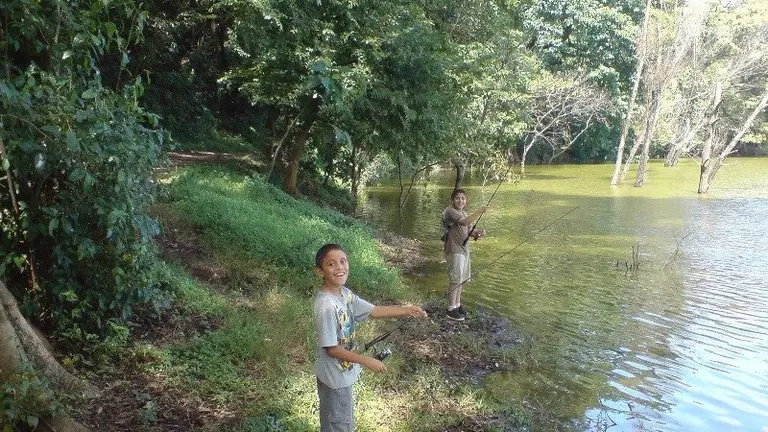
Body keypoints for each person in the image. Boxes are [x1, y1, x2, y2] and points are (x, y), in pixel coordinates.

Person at [313, 243, 427, 432]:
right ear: (319, 271)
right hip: (334, 379)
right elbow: (331, 349)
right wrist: (367, 360)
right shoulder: (326, 306)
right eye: (331, 264)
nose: (340, 267)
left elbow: (374, 311)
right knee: (338, 425)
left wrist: (407, 310)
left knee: (343, 422)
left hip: (342, 375)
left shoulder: (345, 294)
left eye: (343, 261)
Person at [441, 188, 488, 321]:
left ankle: (457, 305)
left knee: (461, 279)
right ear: (452, 200)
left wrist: (478, 232)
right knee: (455, 279)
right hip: (454, 249)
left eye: (463, 198)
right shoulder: (450, 211)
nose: (460, 200)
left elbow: (469, 230)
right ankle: (451, 309)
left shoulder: (464, 213)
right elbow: (464, 222)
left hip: (464, 250)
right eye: (457, 198)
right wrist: (479, 211)